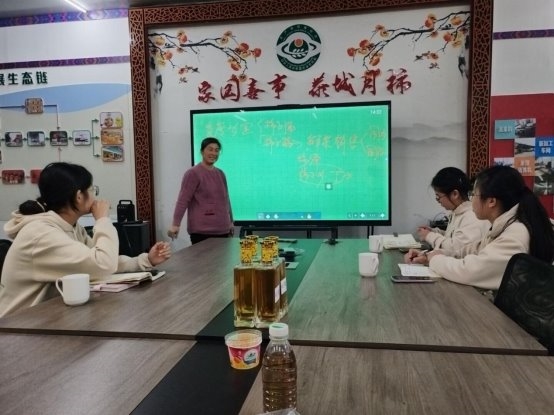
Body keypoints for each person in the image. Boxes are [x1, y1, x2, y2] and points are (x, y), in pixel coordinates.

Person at [0, 162, 171, 317]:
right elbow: (102, 264)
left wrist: (145, 260)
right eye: (92, 190)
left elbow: (99, 261)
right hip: (17, 327)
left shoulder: (71, 227)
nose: (95, 196)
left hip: (48, 318)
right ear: (79, 196)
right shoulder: (41, 234)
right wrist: (102, 220)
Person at [405, 165, 554, 290]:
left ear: (491, 201)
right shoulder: (505, 225)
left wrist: (434, 259)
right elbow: (471, 250)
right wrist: (429, 255)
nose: (471, 200)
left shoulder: (515, 235)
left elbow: (469, 271)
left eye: (474, 194)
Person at [167, 137, 234, 245]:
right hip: (201, 233)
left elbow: (226, 199)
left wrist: (230, 222)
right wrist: (176, 224)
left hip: (223, 231)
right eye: (210, 149)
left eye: (217, 150)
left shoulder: (220, 174)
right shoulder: (193, 173)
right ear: (202, 151)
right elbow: (183, 200)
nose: (213, 153)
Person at [416, 167, 488, 252]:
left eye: (438, 197)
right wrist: (433, 232)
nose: (438, 201)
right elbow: (453, 237)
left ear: (455, 194)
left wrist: (429, 236)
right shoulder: (457, 212)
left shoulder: (472, 217)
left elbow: (456, 250)